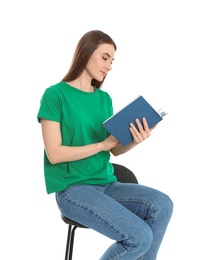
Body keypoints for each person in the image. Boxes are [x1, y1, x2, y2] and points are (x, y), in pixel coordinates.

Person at [37, 30, 173, 260]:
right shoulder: (55, 95)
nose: (109, 66)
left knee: (162, 204)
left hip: (108, 185)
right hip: (73, 190)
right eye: (105, 57)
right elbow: (54, 154)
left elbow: (114, 149)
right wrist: (101, 145)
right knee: (139, 238)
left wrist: (135, 139)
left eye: (112, 60)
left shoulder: (103, 99)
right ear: (86, 52)